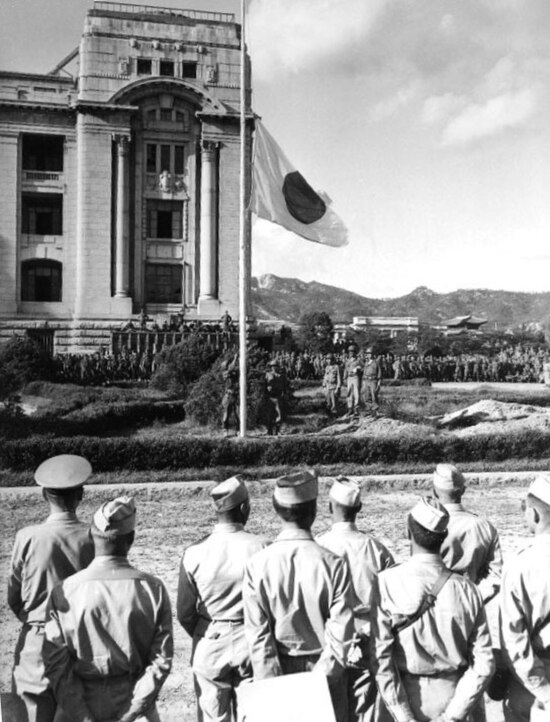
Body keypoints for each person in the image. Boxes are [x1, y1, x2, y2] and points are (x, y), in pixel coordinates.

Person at [43, 496, 173, 722]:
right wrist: (133, 712)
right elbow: (161, 659)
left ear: (91, 537)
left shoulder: (64, 591)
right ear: (130, 539)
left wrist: (82, 716)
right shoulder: (152, 589)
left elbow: (56, 665)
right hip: (133, 701)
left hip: (78, 702)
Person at [243, 470, 355, 722]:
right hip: (326, 674)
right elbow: (340, 637)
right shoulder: (334, 564)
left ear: (276, 509)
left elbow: (258, 637)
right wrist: (317, 683)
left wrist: (272, 685)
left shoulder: (258, 564)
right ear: (314, 512)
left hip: (276, 671)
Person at [371, 496, 495, 722]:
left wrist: (403, 715)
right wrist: (453, 716)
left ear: (407, 534)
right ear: (444, 537)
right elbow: (484, 663)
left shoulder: (385, 583)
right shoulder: (467, 590)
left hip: (405, 695)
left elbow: (380, 659)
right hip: (455, 695)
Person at [8, 454, 94, 722]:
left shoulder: (28, 537)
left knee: (31, 712)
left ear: (45, 495)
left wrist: (34, 620)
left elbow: (14, 597)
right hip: (83, 642)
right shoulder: (94, 537)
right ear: (81, 494)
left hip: (39, 641)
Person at [176, 477, 268, 722]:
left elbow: (185, 612)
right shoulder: (262, 547)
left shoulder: (194, 552)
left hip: (211, 636)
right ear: (244, 508)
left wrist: (206, 631)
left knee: (212, 716)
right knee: (255, 714)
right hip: (252, 636)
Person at [316, 477, 395, 722]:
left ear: (329, 507)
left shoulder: (319, 546)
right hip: (366, 637)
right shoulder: (376, 549)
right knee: (364, 711)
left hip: (329, 638)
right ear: (358, 509)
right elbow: (392, 601)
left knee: (330, 710)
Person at [500, 475, 550, 721]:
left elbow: (514, 642)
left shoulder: (521, 564)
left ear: (534, 514)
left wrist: (545, 693)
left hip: (534, 686)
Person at [432, 463, 503, 604]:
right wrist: (473, 603)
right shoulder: (485, 526)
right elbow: (496, 577)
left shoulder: (427, 525)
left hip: (434, 605)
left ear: (434, 491)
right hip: (471, 605)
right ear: (463, 490)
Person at [263, 359, 287, 435]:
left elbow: (285, 386)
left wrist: (284, 394)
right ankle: (269, 430)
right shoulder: (267, 375)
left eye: (275, 366)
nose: (274, 368)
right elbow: (264, 385)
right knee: (269, 415)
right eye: (272, 366)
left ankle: (277, 430)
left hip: (278, 397)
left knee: (279, 415)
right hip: (270, 397)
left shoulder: (281, 376)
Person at [220, 355, 239, 436]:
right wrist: (235, 358)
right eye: (228, 364)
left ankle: (238, 430)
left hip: (235, 395)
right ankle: (225, 430)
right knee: (226, 414)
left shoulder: (233, 373)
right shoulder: (225, 373)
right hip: (228, 396)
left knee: (238, 414)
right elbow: (231, 368)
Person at [344, 347, 363, 417]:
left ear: (355, 353)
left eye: (352, 352)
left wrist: (358, 369)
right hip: (349, 378)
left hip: (355, 377)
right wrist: (344, 378)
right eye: (350, 352)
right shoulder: (347, 361)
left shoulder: (358, 361)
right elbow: (345, 370)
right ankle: (350, 408)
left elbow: (363, 368)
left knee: (356, 393)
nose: (351, 353)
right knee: (349, 393)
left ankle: (356, 409)